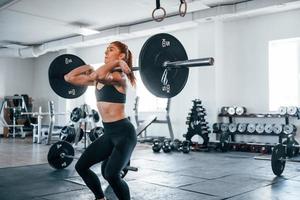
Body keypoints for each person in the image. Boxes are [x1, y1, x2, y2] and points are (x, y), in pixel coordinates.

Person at [64, 41, 137, 200]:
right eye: (105, 50)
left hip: (124, 134)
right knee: (81, 166)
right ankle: (100, 198)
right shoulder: (99, 79)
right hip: (109, 133)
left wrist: (116, 63)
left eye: (110, 50)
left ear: (121, 55)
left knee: (111, 175)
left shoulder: (119, 77)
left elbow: (97, 75)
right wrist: (87, 66)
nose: (106, 53)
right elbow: (69, 78)